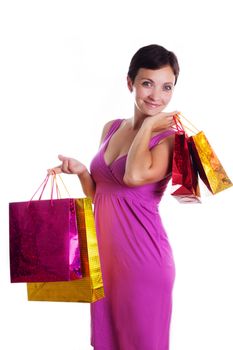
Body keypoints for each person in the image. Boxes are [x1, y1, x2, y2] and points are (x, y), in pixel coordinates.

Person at [50, 44, 180, 350]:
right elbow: (102, 195)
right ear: (130, 82)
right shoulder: (111, 128)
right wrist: (83, 172)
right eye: (147, 83)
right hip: (106, 262)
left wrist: (148, 125)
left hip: (143, 261)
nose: (156, 96)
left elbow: (133, 176)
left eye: (167, 87)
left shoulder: (169, 139)